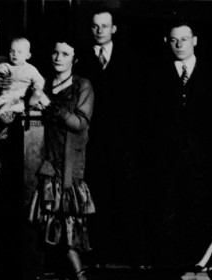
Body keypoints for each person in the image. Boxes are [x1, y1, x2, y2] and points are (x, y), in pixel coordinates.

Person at [142, 19, 212, 272]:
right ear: (167, 42)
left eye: (184, 38)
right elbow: (148, 118)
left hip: (203, 158)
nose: (179, 44)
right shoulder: (156, 74)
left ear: (195, 40)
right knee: (168, 209)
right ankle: (170, 263)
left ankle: (198, 260)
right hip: (167, 157)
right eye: (173, 39)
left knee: (200, 208)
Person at [76, 8, 144, 266]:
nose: (100, 30)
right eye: (95, 26)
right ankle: (98, 257)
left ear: (114, 29)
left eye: (105, 26)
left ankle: (129, 256)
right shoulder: (81, 59)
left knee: (125, 197)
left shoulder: (130, 58)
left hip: (123, 142)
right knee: (95, 197)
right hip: (90, 142)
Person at [28, 36, 95, 280]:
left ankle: (80, 277)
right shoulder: (42, 83)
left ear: (74, 59)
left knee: (67, 231)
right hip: (38, 163)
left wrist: (48, 105)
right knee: (42, 228)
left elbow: (79, 123)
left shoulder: (82, 86)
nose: (58, 58)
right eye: (56, 53)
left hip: (67, 167)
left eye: (65, 54)